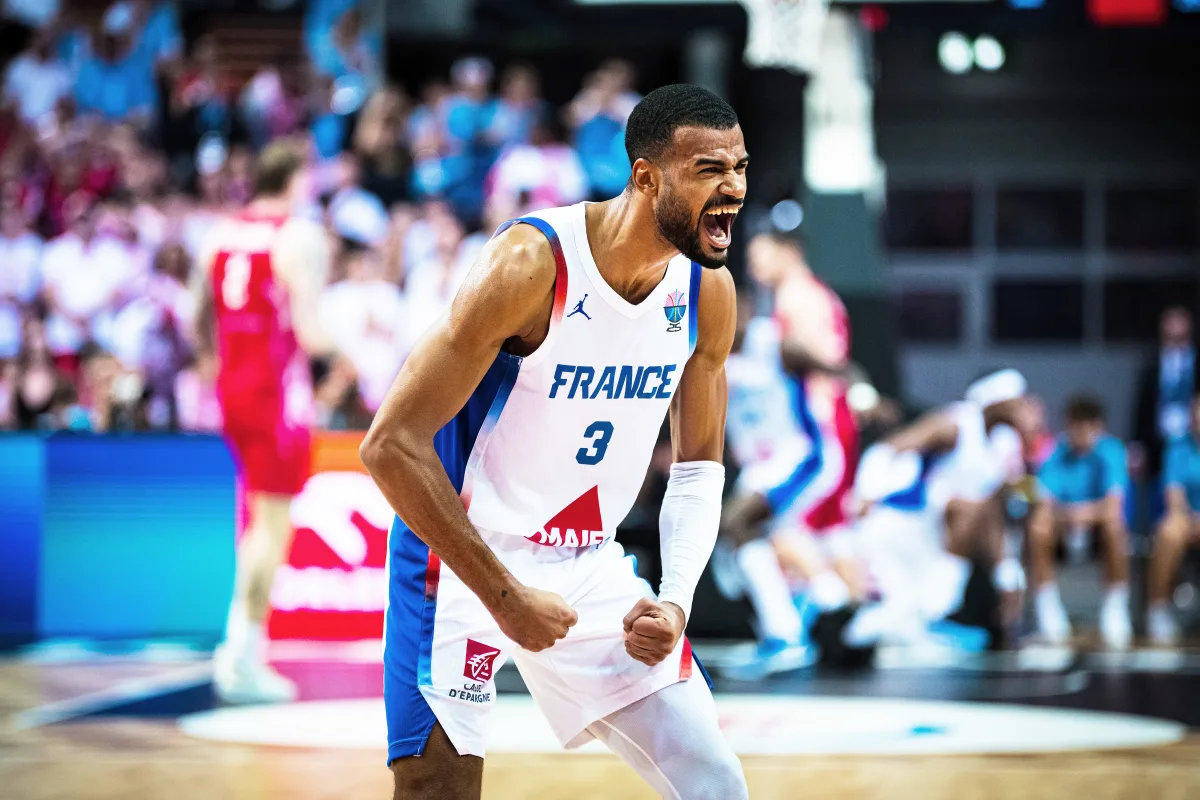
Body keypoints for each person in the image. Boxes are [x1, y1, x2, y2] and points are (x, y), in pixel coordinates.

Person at [360, 84, 748, 800]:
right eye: (710, 170)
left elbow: (697, 469)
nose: (734, 189)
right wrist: (504, 595)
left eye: (741, 168)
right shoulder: (533, 265)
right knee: (437, 791)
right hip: (459, 565)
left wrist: (675, 602)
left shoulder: (705, 292)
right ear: (645, 177)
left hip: (588, 565)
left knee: (714, 782)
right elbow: (389, 445)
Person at [196, 140, 333, 704]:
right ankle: (241, 654)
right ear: (297, 177)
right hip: (276, 390)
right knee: (269, 527)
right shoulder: (296, 235)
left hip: (234, 385)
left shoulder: (220, 232)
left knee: (258, 517)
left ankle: (240, 650)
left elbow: (197, 315)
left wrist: (214, 366)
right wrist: (363, 356)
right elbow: (309, 330)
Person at [842, 370, 1033, 653]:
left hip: (939, 542)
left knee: (898, 619)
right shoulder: (956, 424)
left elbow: (1003, 504)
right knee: (970, 508)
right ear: (994, 400)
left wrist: (1007, 567)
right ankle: (934, 614)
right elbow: (887, 450)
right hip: (908, 523)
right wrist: (865, 495)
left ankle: (942, 612)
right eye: (1014, 399)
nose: (1021, 405)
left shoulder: (1005, 443)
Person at [1030, 395, 1132, 649]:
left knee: (1115, 526)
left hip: (1098, 534)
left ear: (1099, 427)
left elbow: (1113, 506)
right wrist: (1069, 516)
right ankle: (1047, 609)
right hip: (1062, 533)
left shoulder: (1112, 451)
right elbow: (1044, 504)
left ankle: (1115, 608)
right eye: (1077, 427)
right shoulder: (1055, 452)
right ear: (1068, 425)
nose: (1083, 434)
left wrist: (1081, 514)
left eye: (1089, 427)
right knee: (1038, 526)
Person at [1146, 393, 1200, 644]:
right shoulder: (1177, 446)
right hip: (1186, 518)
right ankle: (1159, 610)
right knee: (1168, 531)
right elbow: (1174, 496)